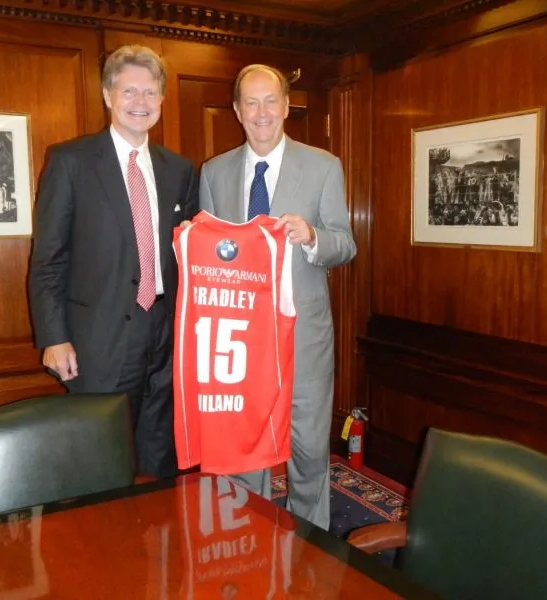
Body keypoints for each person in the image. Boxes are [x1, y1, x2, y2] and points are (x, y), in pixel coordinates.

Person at [28, 45, 199, 479]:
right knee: (99, 460)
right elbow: (48, 259)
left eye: (150, 92)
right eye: (129, 91)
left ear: (162, 99)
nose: (141, 102)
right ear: (107, 95)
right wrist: (54, 337)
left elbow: (191, 250)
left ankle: (157, 521)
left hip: (164, 333)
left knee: (159, 455)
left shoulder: (179, 170)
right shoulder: (71, 161)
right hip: (98, 338)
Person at [198, 64, 356, 530]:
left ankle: (311, 543)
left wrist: (312, 237)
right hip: (240, 342)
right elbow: (209, 256)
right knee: (246, 452)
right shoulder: (214, 173)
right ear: (237, 110)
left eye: (271, 101)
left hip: (303, 338)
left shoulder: (323, 166)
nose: (262, 112)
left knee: (308, 451)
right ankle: (251, 537)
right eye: (251, 102)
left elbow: (345, 244)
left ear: (286, 107)